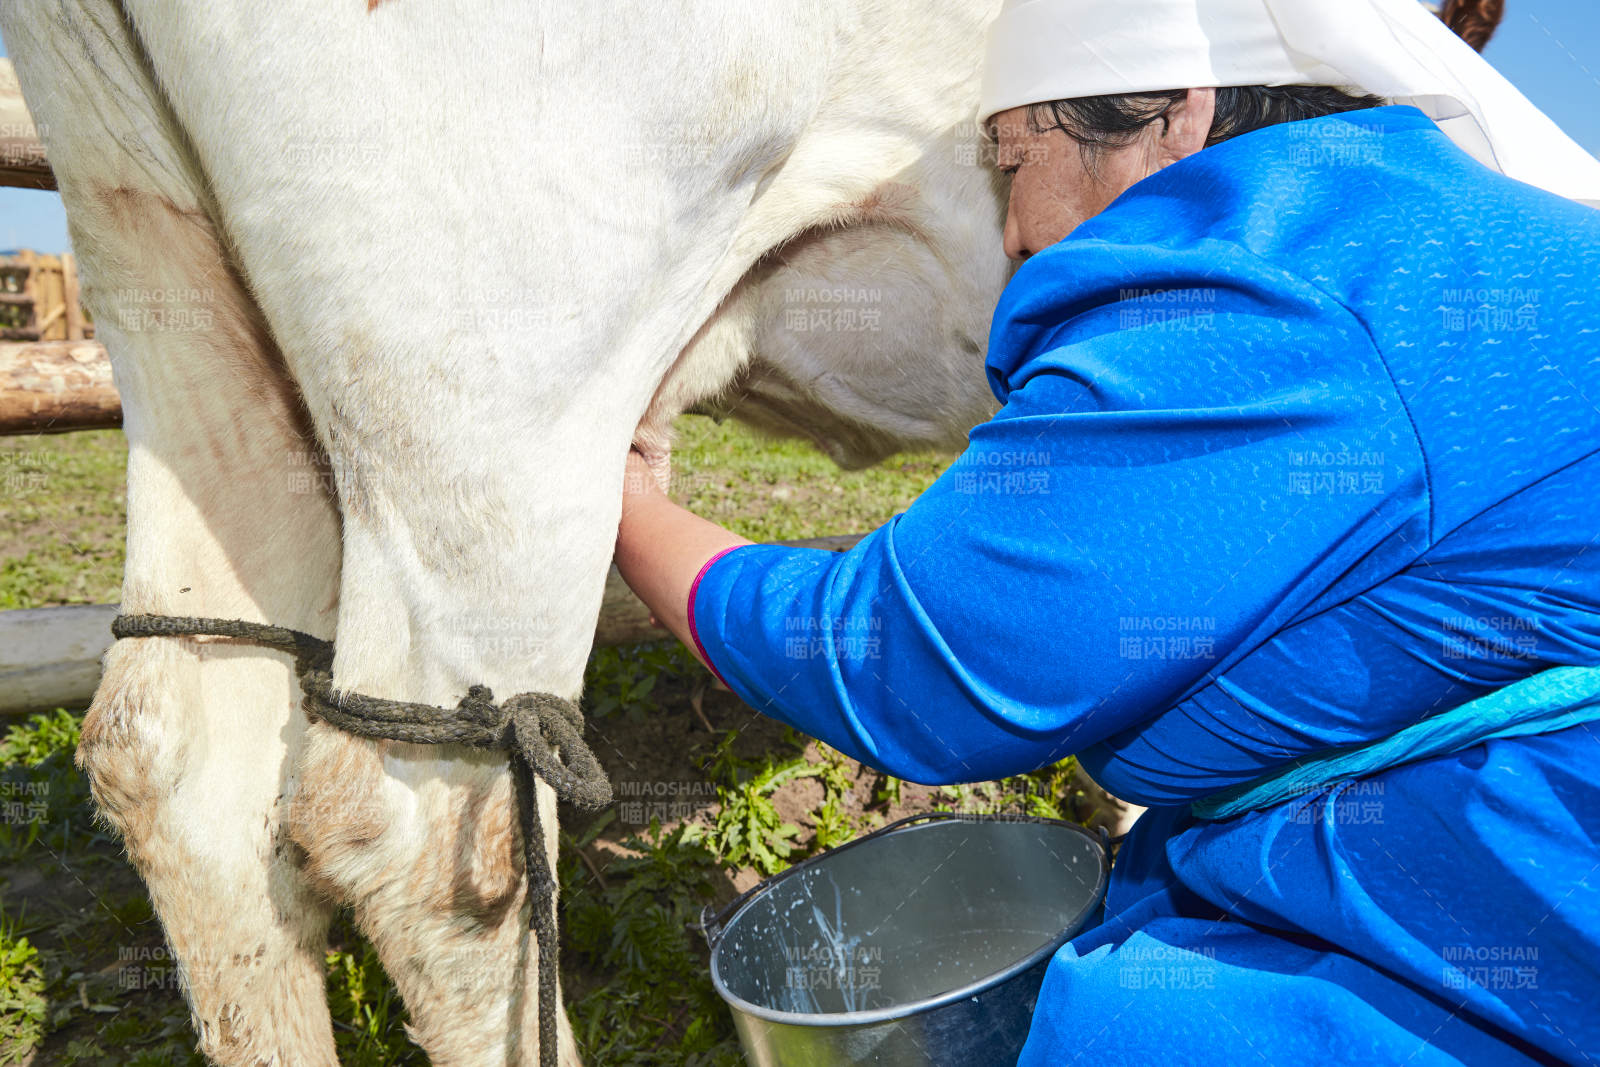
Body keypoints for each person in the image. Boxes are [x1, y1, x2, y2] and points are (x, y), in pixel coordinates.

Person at [612, 0, 1600, 1061]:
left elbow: (909, 659)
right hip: (1496, 859)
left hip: (1522, 891)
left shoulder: (1270, 287)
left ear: (1172, 115)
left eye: (1014, 161)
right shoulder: (1402, 220)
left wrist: (625, 508)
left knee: (1130, 1028)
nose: (1010, 231)